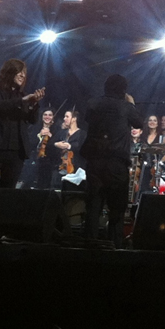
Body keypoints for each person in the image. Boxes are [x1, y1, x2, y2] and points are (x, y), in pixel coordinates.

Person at [82, 75, 143, 247]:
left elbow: (88, 119)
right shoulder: (126, 106)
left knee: (93, 207)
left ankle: (89, 247)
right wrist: (131, 103)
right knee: (117, 210)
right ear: (123, 90)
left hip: (95, 162)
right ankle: (114, 247)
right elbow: (139, 123)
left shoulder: (93, 103)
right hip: (116, 164)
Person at [0, 59, 45, 189]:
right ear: (9, 72)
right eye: (19, 71)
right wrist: (23, 100)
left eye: (24, 72)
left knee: (8, 192)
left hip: (16, 151)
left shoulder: (23, 95)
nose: (23, 75)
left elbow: (33, 120)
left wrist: (33, 104)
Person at [29, 108, 59, 190]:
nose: (47, 117)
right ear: (42, 116)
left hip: (49, 162)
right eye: (45, 115)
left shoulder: (56, 130)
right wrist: (39, 135)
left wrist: (50, 136)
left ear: (53, 117)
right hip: (34, 160)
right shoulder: (34, 128)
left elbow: (57, 147)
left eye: (50, 115)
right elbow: (30, 143)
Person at [54, 108, 86, 180]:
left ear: (74, 119)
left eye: (67, 116)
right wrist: (56, 144)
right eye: (64, 116)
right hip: (60, 166)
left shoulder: (82, 134)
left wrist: (69, 146)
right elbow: (53, 142)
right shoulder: (62, 132)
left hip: (75, 167)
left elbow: (83, 148)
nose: (64, 118)